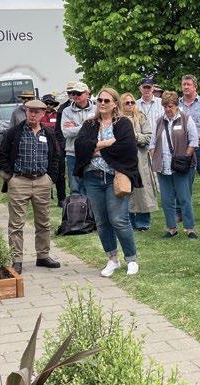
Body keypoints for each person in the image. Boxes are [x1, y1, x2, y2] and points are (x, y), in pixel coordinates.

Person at [74, 88, 142, 276]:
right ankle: (112, 259)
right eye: (100, 100)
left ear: (115, 104)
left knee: (119, 219)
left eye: (107, 100)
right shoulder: (89, 124)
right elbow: (80, 146)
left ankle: (131, 259)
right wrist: (106, 143)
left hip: (115, 177)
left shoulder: (123, 123)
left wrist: (95, 150)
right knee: (102, 221)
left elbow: (127, 148)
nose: (102, 103)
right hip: (92, 177)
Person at [0, 99, 61, 275]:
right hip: (19, 181)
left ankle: (43, 256)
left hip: (42, 181)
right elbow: (2, 156)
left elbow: (56, 156)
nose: (33, 114)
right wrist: (9, 178)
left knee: (44, 222)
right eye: (30, 111)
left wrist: (51, 178)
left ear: (43, 114)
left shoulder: (48, 133)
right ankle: (16, 259)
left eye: (37, 112)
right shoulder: (14, 132)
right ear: (25, 112)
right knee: (16, 224)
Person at [150, 91, 199, 238]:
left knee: (184, 198)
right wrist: (155, 155)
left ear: (177, 105)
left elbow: (194, 141)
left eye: (170, 106)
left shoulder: (186, 119)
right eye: (165, 106)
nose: (168, 109)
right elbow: (152, 143)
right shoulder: (159, 121)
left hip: (181, 166)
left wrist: (185, 158)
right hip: (163, 166)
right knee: (166, 199)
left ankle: (190, 228)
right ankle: (171, 228)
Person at [120, 92, 158, 231]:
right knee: (125, 189)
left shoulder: (141, 116)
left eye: (132, 102)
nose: (130, 105)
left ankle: (143, 222)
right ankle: (128, 221)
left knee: (142, 190)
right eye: (127, 103)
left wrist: (133, 135)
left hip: (140, 158)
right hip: (123, 159)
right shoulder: (117, 119)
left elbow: (148, 137)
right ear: (121, 104)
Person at [61, 82, 95, 195]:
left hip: (92, 152)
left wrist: (75, 127)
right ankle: (76, 206)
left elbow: (98, 131)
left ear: (87, 94)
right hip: (72, 153)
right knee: (75, 188)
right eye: (73, 93)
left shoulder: (96, 109)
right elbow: (66, 132)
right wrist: (87, 126)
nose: (75, 96)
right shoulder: (66, 111)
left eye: (78, 93)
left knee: (91, 187)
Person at [41, 94, 66, 205]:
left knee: (60, 175)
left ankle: (62, 199)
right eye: (46, 103)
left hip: (57, 148)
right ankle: (45, 198)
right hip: (43, 149)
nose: (49, 105)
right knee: (44, 174)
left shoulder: (58, 115)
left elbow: (61, 129)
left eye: (51, 103)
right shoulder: (40, 115)